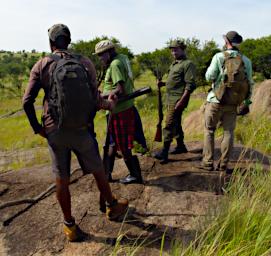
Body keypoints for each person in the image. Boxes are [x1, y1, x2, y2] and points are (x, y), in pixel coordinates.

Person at [23, 24, 128, 242]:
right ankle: (112, 206)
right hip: (82, 129)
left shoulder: (42, 64)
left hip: (55, 130)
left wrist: (39, 129)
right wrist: (109, 105)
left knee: (62, 177)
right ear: (68, 41)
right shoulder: (85, 63)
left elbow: (27, 102)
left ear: (51, 42)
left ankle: (70, 226)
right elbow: (95, 100)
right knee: (98, 169)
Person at [201, 31, 254, 172]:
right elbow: (250, 83)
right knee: (228, 132)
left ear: (227, 42)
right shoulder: (246, 60)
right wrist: (247, 102)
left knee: (209, 131)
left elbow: (209, 76)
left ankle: (207, 162)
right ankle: (223, 164)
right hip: (233, 102)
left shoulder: (219, 56)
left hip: (215, 100)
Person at [95, 39, 143, 184]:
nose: (100, 58)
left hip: (119, 110)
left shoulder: (115, 64)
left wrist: (101, 96)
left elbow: (120, 90)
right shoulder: (122, 58)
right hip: (120, 109)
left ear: (109, 52)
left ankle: (135, 175)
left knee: (122, 145)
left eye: (101, 55)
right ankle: (107, 174)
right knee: (111, 143)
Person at [154, 40, 197, 163]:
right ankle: (180, 146)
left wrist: (182, 101)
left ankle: (164, 152)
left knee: (168, 124)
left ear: (183, 49)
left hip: (178, 99)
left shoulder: (188, 64)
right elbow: (175, 80)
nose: (173, 52)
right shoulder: (174, 64)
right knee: (176, 123)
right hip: (169, 98)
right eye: (172, 50)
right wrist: (163, 83)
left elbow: (190, 84)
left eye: (176, 49)